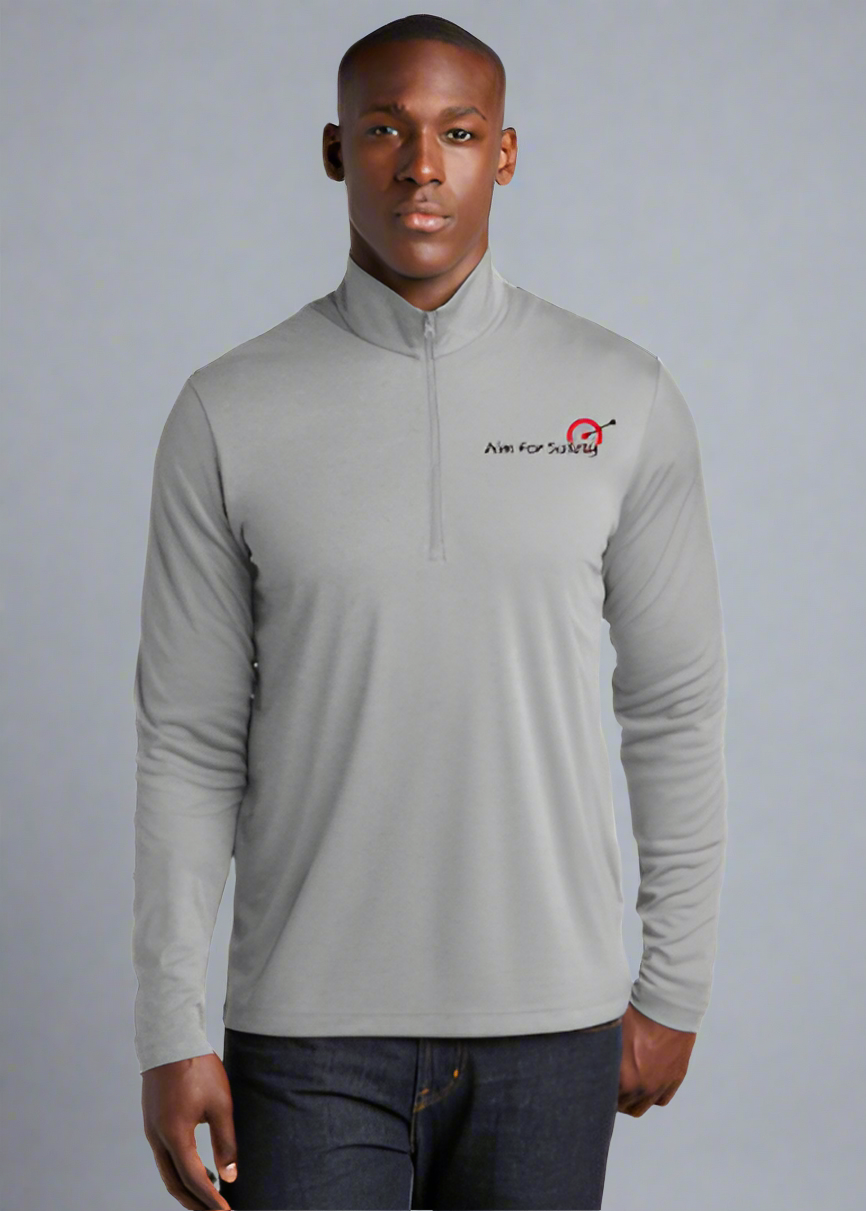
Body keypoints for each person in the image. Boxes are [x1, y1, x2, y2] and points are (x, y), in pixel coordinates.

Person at [133, 12, 728, 1211]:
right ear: (332, 151)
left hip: (551, 1025)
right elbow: (188, 738)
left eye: (457, 133)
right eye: (383, 130)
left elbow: (674, 705)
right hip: (305, 1036)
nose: (419, 166)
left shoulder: (621, 394)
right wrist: (168, 1024)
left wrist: (674, 984)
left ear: (502, 153)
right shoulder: (226, 410)